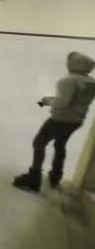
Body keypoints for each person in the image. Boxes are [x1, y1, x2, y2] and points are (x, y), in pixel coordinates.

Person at [14, 52, 95, 192]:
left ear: (75, 64)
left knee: (39, 143)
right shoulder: (91, 82)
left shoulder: (68, 81)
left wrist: (46, 101)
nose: (67, 64)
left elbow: (61, 103)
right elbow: (75, 100)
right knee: (60, 144)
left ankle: (34, 178)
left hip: (60, 120)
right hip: (76, 121)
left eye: (69, 62)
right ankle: (55, 175)